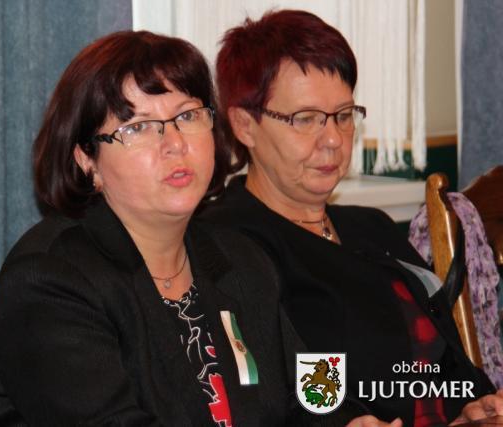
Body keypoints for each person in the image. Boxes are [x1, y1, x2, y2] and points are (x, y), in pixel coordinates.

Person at [0, 30, 311, 426]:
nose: (175, 143)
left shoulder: (238, 258)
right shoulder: (50, 281)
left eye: (187, 116)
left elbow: (309, 396)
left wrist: (348, 420)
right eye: (138, 127)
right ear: (86, 159)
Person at [201, 9, 503, 427]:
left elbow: (444, 358)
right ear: (244, 125)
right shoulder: (230, 242)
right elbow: (276, 390)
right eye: (305, 119)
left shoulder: (371, 227)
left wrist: (472, 404)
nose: (332, 139)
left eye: (343, 115)